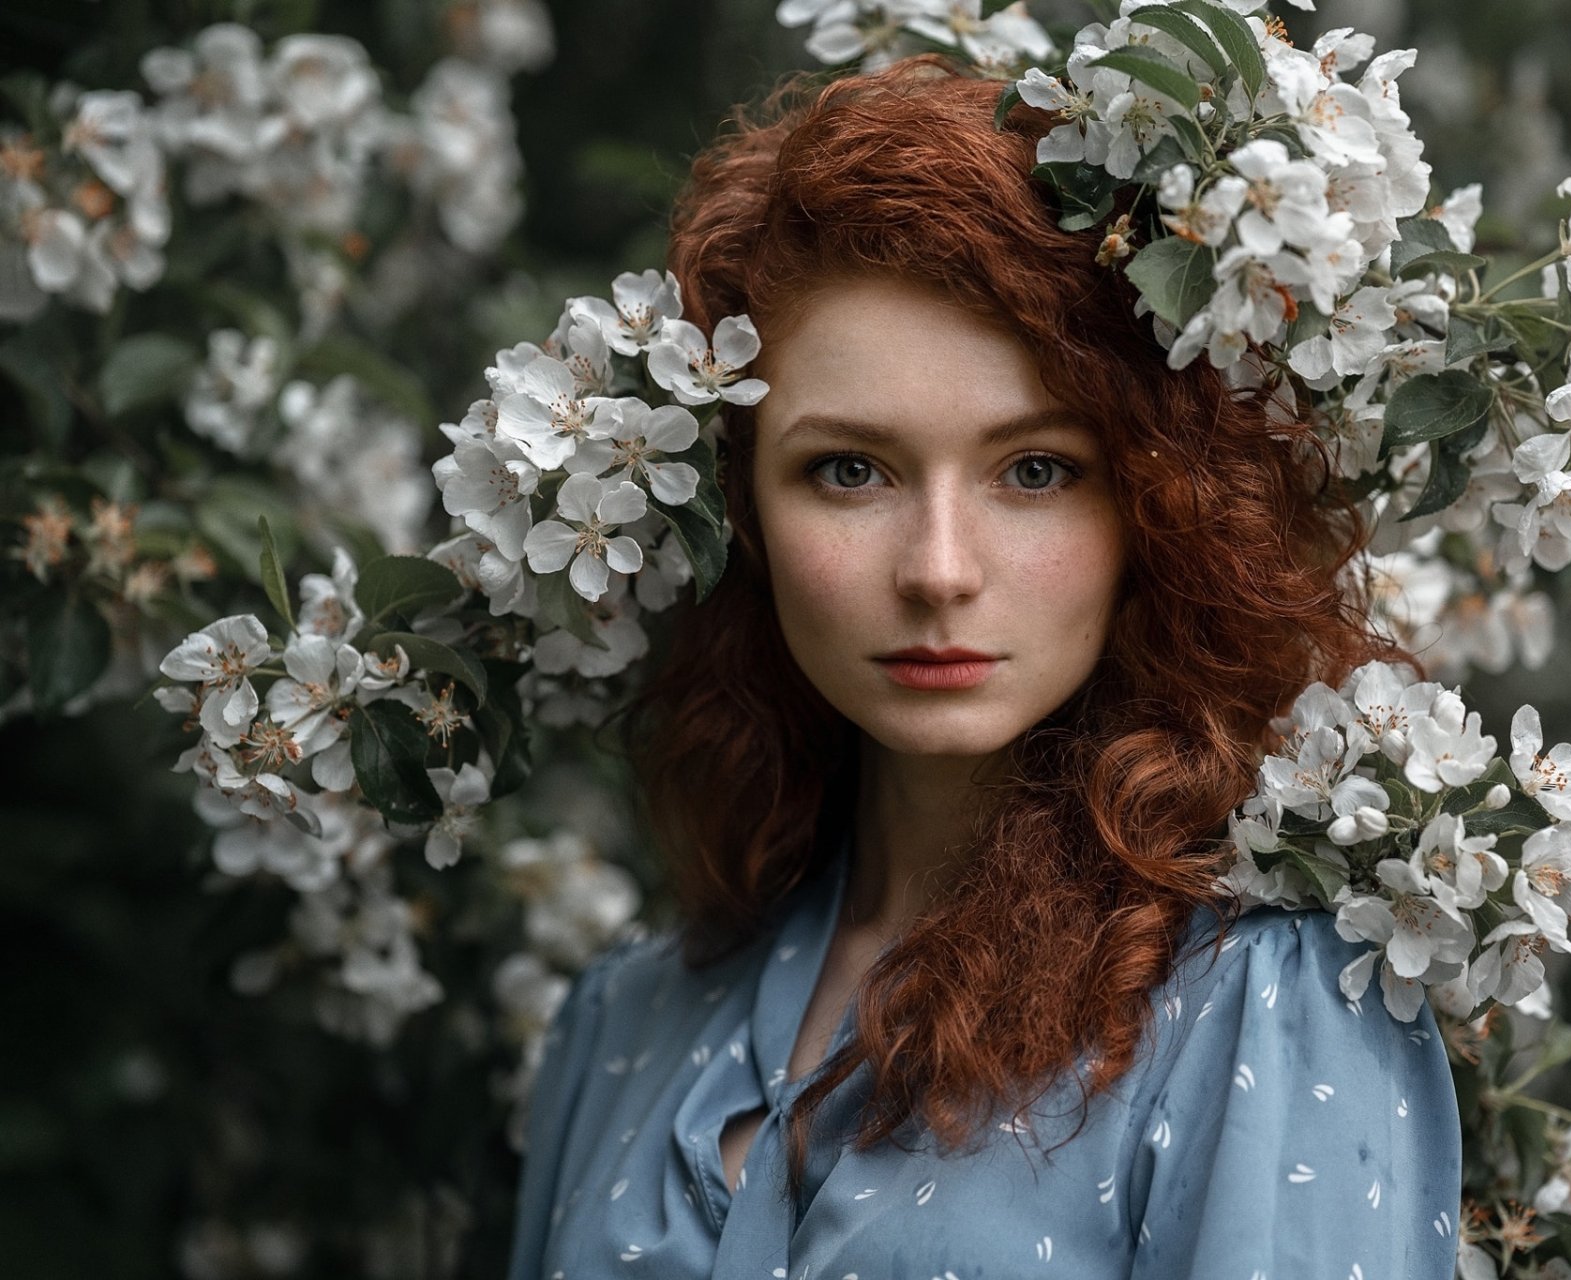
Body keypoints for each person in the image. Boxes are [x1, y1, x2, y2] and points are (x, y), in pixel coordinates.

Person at [506, 56, 1461, 1280]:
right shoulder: (624, 1018)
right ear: (742, 509)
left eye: (1036, 470)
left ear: (1158, 511)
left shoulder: (1267, 1000)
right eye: (849, 470)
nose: (939, 569)